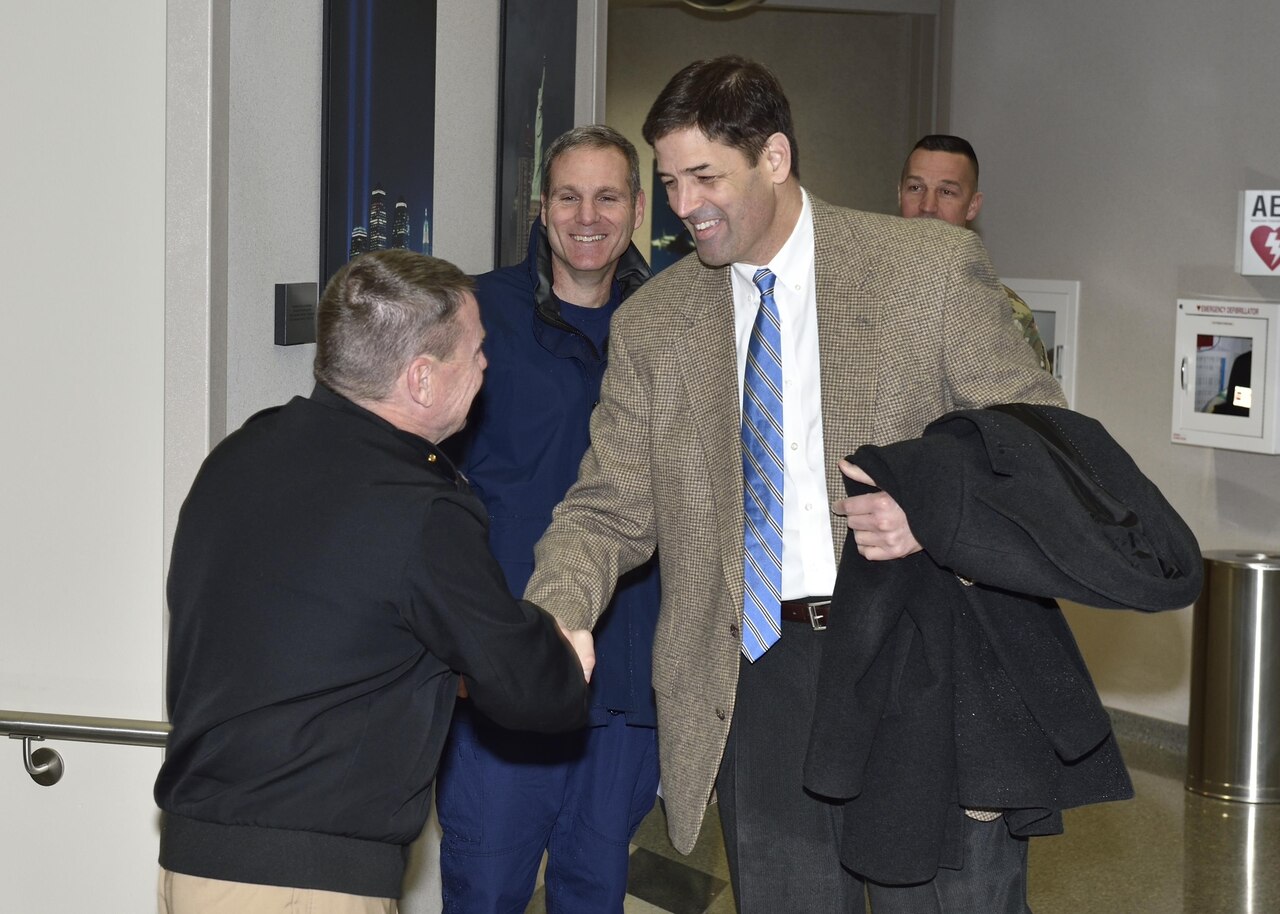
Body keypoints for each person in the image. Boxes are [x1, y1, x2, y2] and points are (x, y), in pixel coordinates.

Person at [524, 57, 1065, 913]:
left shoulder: (926, 271)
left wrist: (938, 510)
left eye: (706, 176)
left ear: (774, 157)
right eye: (668, 181)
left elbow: (1040, 441)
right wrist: (557, 610)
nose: (682, 204)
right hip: (756, 680)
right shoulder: (654, 325)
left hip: (921, 663)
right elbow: (608, 506)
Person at [154, 250, 594, 914]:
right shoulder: (421, 508)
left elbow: (320, 630)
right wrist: (564, 654)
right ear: (421, 379)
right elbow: (529, 687)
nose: (485, 366)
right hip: (302, 888)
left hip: (192, 868)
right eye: (475, 352)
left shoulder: (240, 455)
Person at [435, 126, 661, 913]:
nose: (587, 215)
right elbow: (425, 481)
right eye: (568, 196)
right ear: (542, 209)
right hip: (507, 672)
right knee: (486, 890)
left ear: (636, 209)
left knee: (594, 892)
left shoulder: (671, 323)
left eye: (607, 197)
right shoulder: (474, 315)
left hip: (630, 677)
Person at [898, 133, 1052, 372]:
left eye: (946, 191)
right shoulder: (854, 292)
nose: (927, 206)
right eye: (915, 187)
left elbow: (1028, 406)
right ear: (900, 194)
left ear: (972, 206)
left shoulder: (1005, 311)